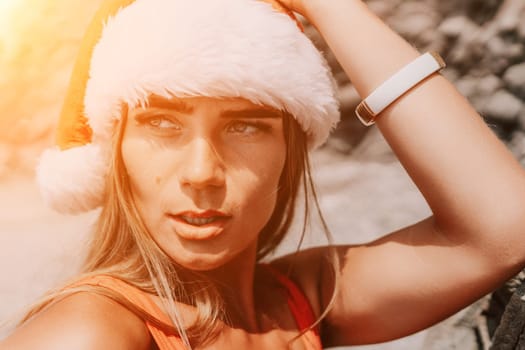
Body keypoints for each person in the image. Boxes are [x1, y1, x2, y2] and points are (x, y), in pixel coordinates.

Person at [2, 0, 525, 349]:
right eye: (161, 124)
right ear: (115, 153)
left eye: (246, 127)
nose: (202, 172)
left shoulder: (304, 304)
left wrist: (329, 5)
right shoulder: (88, 332)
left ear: (290, 151)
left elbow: (502, 228)